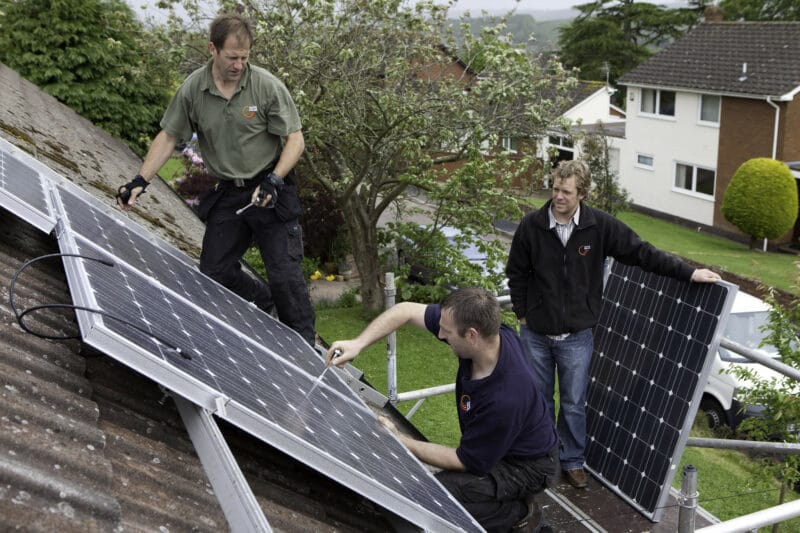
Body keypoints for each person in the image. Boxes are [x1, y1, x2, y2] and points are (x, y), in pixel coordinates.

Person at [505, 159, 721, 490]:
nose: (558, 196)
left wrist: (689, 273)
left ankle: (573, 460)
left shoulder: (599, 227)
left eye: (566, 191)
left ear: (582, 193)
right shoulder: (532, 226)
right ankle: (544, 459)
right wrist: (522, 312)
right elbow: (516, 272)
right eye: (555, 189)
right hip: (535, 333)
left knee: (574, 403)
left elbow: (642, 253)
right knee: (539, 399)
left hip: (577, 336)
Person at [116, 13, 315, 346]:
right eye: (232, 57)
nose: (239, 65)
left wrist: (275, 180)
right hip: (230, 194)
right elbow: (169, 136)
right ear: (213, 49)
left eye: (244, 58)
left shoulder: (265, 86)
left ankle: (305, 352)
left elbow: (296, 140)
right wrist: (140, 180)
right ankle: (263, 300)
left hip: (271, 190)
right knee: (214, 271)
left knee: (286, 278)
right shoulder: (195, 89)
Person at [326, 288, 558, 532]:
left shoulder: (506, 398)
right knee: (420, 502)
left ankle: (518, 514)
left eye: (446, 332)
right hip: (499, 443)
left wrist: (400, 440)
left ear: (471, 335)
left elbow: (465, 460)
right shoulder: (485, 335)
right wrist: (358, 343)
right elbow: (405, 311)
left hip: (526, 466)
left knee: (428, 507)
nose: (439, 333)